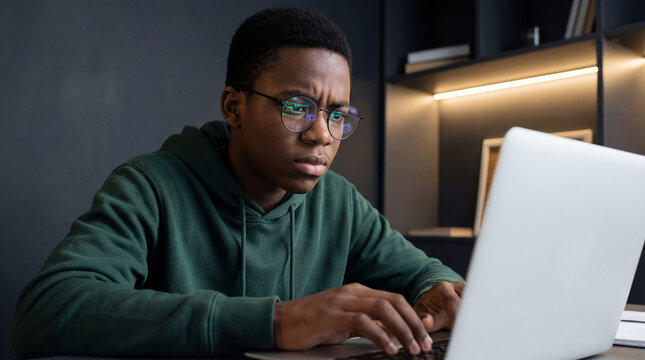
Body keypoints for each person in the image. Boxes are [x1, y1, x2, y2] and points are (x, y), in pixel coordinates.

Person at [13, 7, 464, 358]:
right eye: (297, 108)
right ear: (234, 107)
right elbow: (48, 309)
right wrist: (276, 322)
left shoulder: (338, 201)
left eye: (337, 115)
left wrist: (440, 288)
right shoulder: (150, 187)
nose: (321, 134)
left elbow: (421, 272)